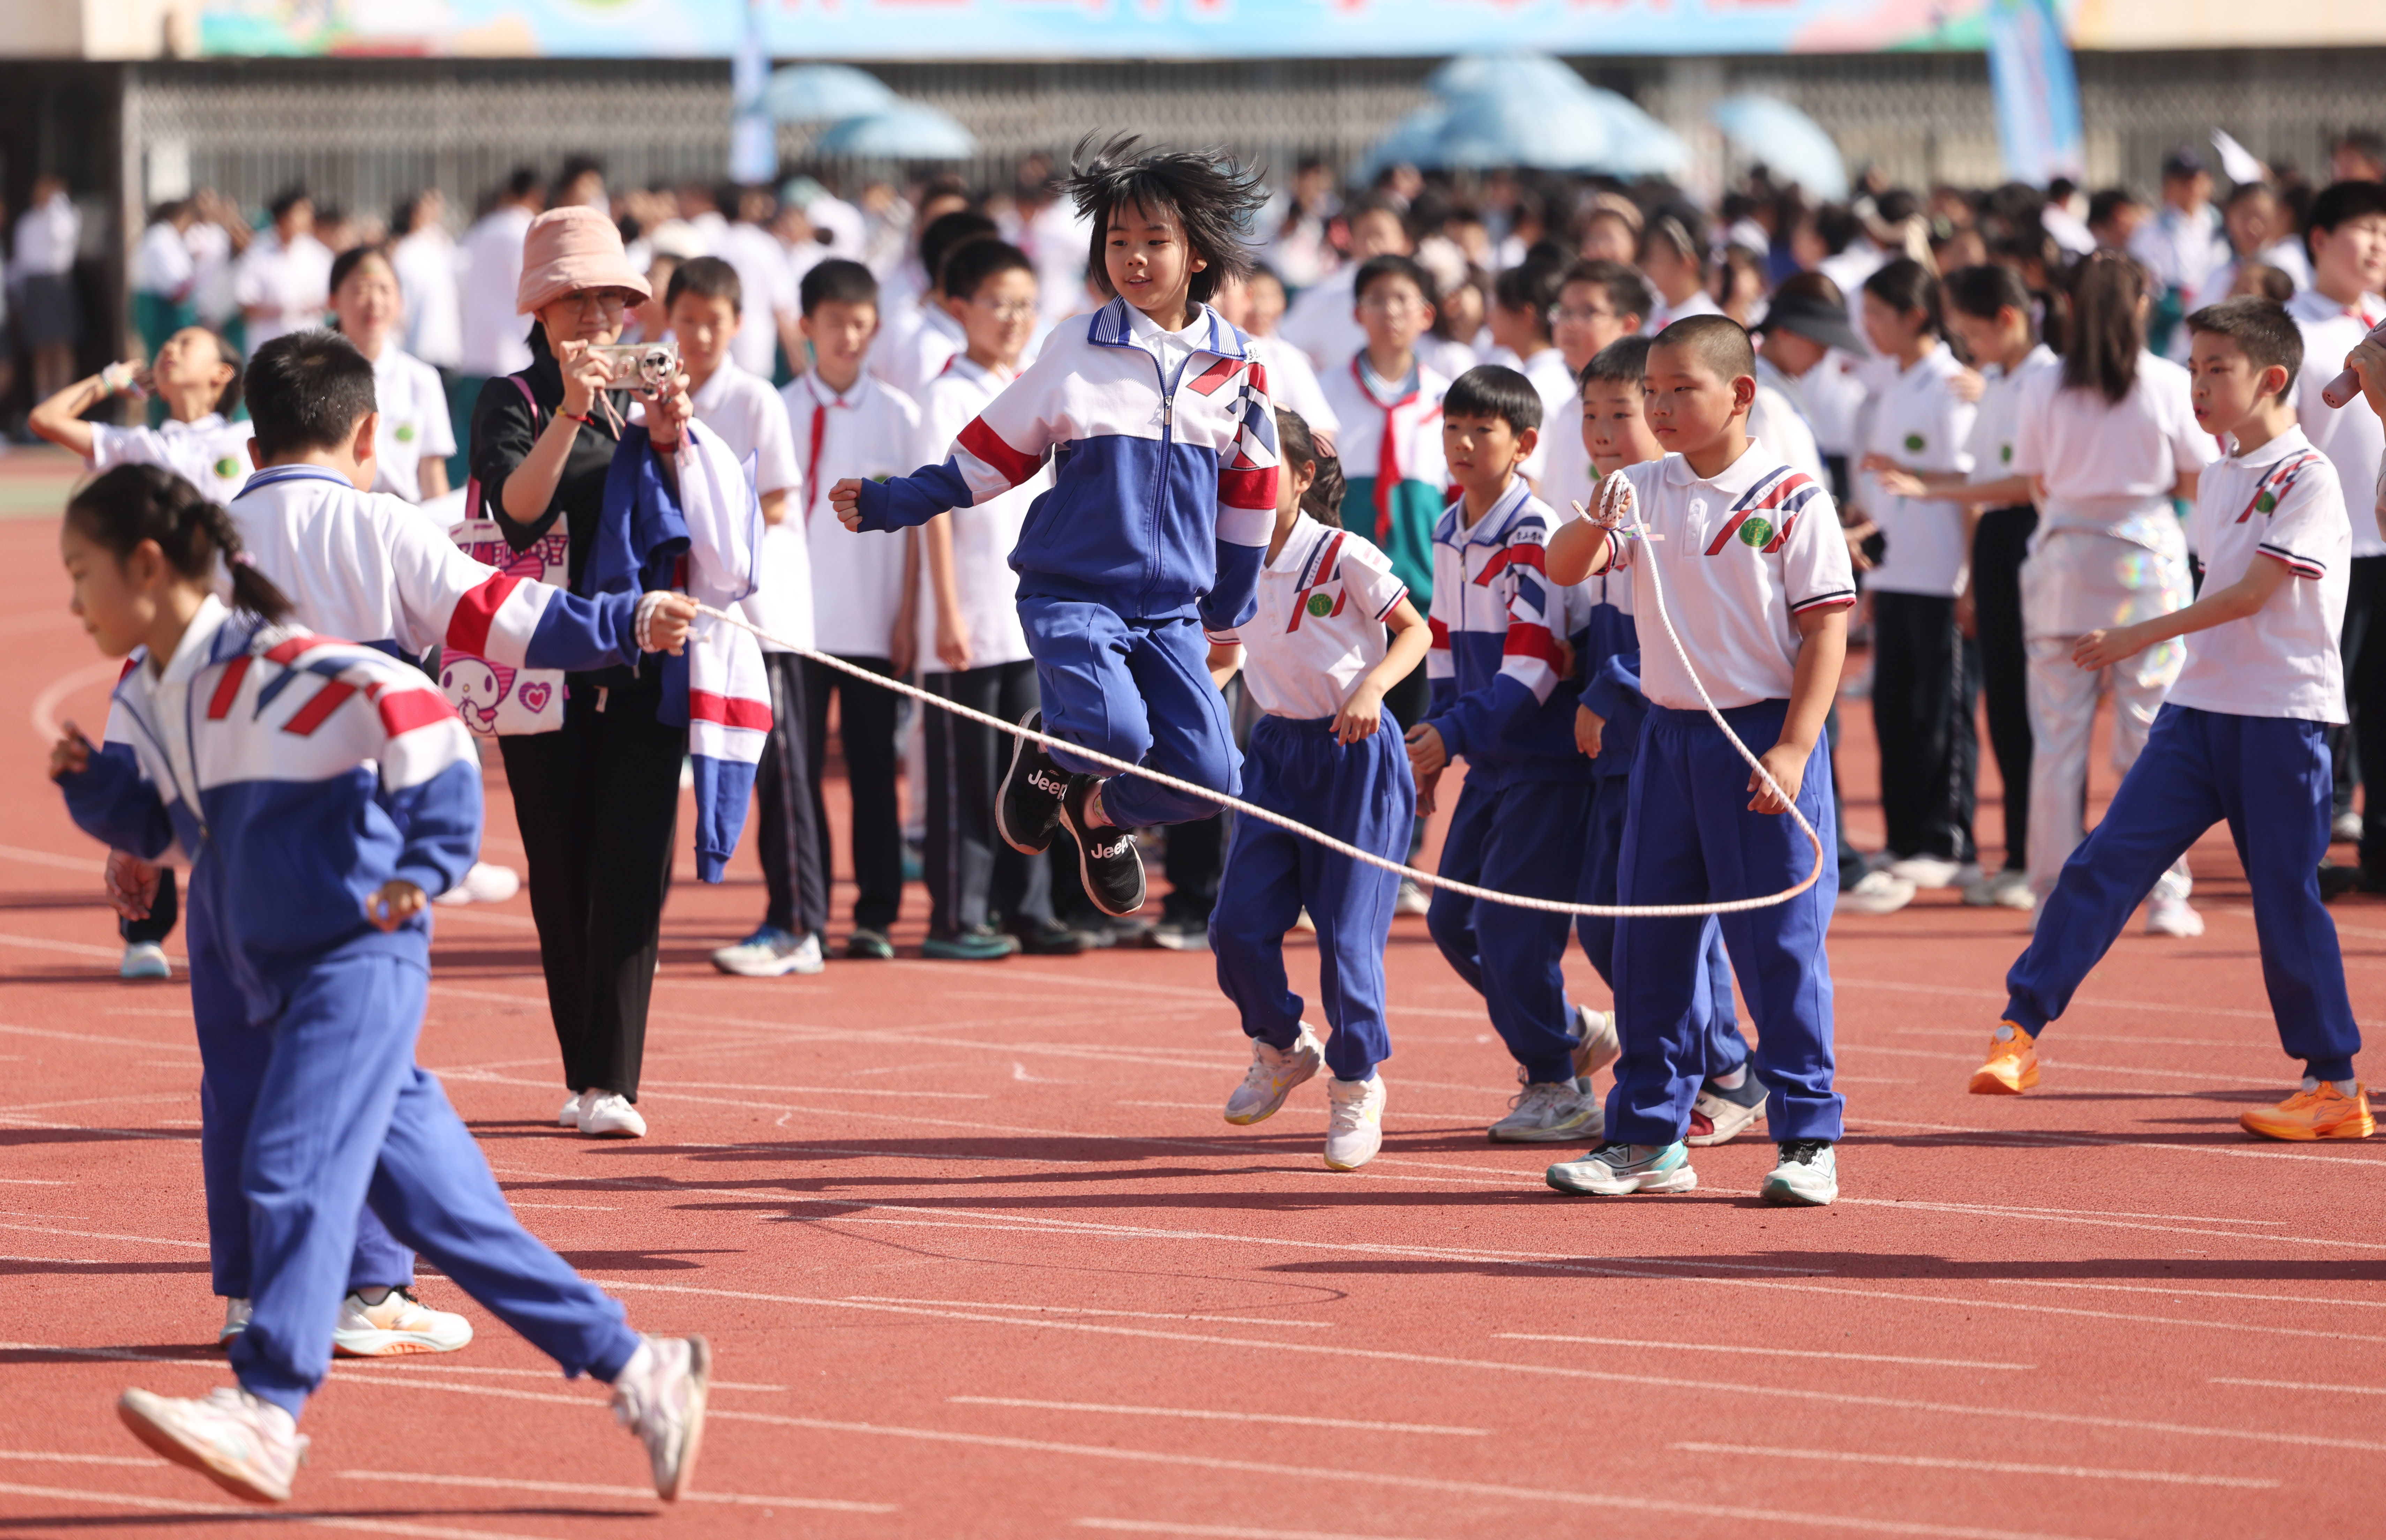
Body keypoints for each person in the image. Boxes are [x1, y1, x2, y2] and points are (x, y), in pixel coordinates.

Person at [48, 467, 709, 1507]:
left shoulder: (276, 664)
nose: (74, 601)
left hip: (354, 964)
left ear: (146, 565)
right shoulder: (156, 689)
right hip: (275, 979)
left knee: (291, 1161)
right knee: (454, 1219)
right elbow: (169, 826)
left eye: (83, 573)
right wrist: (96, 792)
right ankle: (641, 1363)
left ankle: (269, 1407)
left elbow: (425, 717)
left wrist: (431, 856)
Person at [832, 136, 1279, 919]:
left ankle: (1098, 813)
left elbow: (1252, 498)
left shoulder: (1239, 366)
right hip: (1073, 592)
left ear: (1199, 254)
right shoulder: (1077, 344)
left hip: (1172, 611)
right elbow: (995, 450)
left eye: (1155, 242)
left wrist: (1227, 614)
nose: (1133, 258)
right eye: (1118, 241)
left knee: (1214, 778)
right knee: (1116, 734)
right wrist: (896, 501)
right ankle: (1054, 747)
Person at [1974, 299, 2368, 1140]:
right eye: (2192, 369)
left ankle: (2334, 1082)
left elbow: (2252, 595)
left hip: (2281, 717)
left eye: (2217, 369)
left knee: (2286, 899)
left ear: (2272, 378)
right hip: (2198, 711)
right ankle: (2019, 1029)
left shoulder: (2308, 477)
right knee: (2105, 860)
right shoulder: (2220, 474)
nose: (2198, 386)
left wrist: (2136, 634)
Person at [1542, 315, 1855, 1207]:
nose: (1661, 407)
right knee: (1651, 946)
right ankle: (1648, 1137)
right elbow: (1566, 567)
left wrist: (1794, 745)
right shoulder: (1641, 486)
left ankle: (1809, 1138)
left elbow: (1827, 629)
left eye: (1682, 389)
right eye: (1653, 391)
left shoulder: (1792, 496)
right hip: (1666, 739)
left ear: (1740, 394)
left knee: (1778, 948)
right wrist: (1598, 510)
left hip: (1759, 740)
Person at [469, 206, 705, 1140]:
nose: (598, 318)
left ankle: (616, 1079)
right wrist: (571, 408)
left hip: (647, 655)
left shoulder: (643, 397)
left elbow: (699, 524)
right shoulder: (512, 400)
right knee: (563, 871)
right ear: (540, 309)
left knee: (636, 865)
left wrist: (675, 438)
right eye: (576, 300)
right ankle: (583, 1069)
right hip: (547, 665)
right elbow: (519, 511)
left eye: (612, 300)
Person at [1207, 410, 1428, 1169]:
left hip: (1355, 754)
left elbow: (1416, 631)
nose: (1246, 486)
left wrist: (1373, 688)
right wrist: (1178, 718)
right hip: (1276, 754)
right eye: (1235, 473)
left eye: (1265, 472)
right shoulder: (1227, 562)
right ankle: (1281, 1044)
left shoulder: (1343, 553)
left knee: (1346, 937)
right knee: (1236, 926)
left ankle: (1358, 1079)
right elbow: (1224, 657)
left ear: (1303, 477)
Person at [1568, 336, 1765, 1147]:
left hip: (1675, 732)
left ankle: (1727, 1068)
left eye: (1626, 411)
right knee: (1607, 922)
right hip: (1623, 753)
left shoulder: (1683, 504)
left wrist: (1605, 689)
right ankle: (1694, 1066)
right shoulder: (1612, 505)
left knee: (1687, 921)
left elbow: (1683, 635)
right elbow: (1573, 588)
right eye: (1593, 414)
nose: (1610, 429)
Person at [1406, 366, 1604, 1143]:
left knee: (1512, 929)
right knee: (1453, 920)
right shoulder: (1449, 527)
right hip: (1492, 759)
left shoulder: (1534, 532)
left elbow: (1536, 663)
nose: (1461, 443)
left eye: (1480, 430)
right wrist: (1437, 739)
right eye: (1452, 427)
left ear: (1523, 444)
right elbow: (1443, 642)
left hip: (1546, 763)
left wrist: (1453, 733)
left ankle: (1558, 1083)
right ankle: (1568, 1031)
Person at [30, 329, 248, 980]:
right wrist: (109, 382)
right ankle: (143, 930)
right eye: (167, 344)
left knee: (236, 771)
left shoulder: (248, 438)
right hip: (163, 640)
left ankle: (252, 921)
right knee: (140, 767)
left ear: (224, 374)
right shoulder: (143, 447)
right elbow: (47, 420)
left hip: (236, 635)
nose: (171, 349)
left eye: (189, 342)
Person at [2011, 252, 2214, 929]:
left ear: (2070, 305)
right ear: (2140, 305)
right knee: (2152, 735)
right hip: (2146, 566)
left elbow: (2037, 478)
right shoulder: (2167, 381)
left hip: (2064, 566)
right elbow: (2198, 475)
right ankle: (2163, 893)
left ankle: (2050, 891)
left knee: (2057, 741)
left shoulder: (2042, 384)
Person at [910, 239, 1089, 960]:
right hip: (971, 616)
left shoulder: (1035, 388)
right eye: (999, 303)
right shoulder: (945, 394)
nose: (1014, 318)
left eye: (1026, 305)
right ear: (961, 309)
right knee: (966, 773)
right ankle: (958, 914)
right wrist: (946, 612)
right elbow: (933, 508)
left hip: (1033, 615)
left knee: (1036, 770)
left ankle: (1029, 907)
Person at [653, 257, 821, 982]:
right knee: (660, 770)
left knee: (779, 774)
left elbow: (777, 501)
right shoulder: (654, 395)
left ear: (738, 325)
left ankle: (798, 924)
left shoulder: (756, 399)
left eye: (712, 322)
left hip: (758, 619)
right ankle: (640, 924)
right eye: (686, 320)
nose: (698, 335)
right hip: (682, 617)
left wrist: (705, 528)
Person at [1872, 265, 2060, 911]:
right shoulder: (2000, 381)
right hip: (1995, 538)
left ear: (2008, 319)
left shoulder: (2044, 380)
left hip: (2032, 535)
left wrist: (1929, 489)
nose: (1967, 347)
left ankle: (2037, 856)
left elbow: (2026, 481)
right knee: (2004, 706)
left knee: (2034, 708)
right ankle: (2020, 856)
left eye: (1973, 334)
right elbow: (1979, 476)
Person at [1750, 277, 1915, 920]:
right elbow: (1764, 505)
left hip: (1801, 572)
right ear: (1786, 333)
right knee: (1813, 722)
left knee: (1816, 722)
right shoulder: (1764, 401)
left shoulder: (1780, 392)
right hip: (1786, 589)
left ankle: (1831, 858)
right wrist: (1823, 538)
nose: (1825, 355)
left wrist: (1833, 529)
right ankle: (1833, 861)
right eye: (1817, 341)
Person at [784, 259, 921, 960]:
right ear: (806, 326)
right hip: (794, 626)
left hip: (873, 623)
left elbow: (922, 528)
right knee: (796, 776)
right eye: (835, 322)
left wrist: (908, 617)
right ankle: (803, 911)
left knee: (873, 775)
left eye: (862, 324)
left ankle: (876, 914)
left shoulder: (900, 415)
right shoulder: (779, 408)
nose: (849, 337)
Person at [1851, 259, 1982, 888]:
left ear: (1916, 316)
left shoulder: (1951, 386)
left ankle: (1947, 840)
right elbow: (1886, 490)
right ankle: (1904, 837)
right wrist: (1875, 578)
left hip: (1941, 573)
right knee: (1894, 713)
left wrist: (1971, 580)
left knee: (1941, 714)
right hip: (1897, 570)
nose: (1869, 328)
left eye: (1879, 315)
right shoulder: (1896, 382)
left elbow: (1973, 486)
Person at [2284, 181, 2386, 885]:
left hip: (2384, 545)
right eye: (2364, 229)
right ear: (2320, 239)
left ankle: (2381, 843)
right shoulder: (2289, 328)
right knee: (2316, 705)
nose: (2378, 244)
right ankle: (2302, 848)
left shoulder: (2381, 318)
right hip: (2320, 550)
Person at [328, 244, 455, 506]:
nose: (375, 302)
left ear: (399, 303)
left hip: (404, 515)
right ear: (333, 301)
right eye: (361, 290)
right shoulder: (314, 378)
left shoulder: (422, 379)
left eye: (385, 290)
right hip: (338, 514)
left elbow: (432, 474)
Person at [1543, 260, 1654, 528]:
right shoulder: (1568, 408)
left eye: (1588, 312)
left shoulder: (1652, 399)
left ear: (1628, 325)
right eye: (1564, 312)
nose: (1569, 324)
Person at [1279, 196, 1412, 371]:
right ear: (1352, 243)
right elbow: (1284, 345)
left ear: (1405, 242)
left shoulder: (1423, 301)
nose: (1372, 246)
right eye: (1364, 236)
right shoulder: (1323, 299)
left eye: (1380, 235)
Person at [2128, 149, 2227, 358]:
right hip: (2169, 322)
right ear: (2167, 186)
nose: (2191, 187)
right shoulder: (2150, 230)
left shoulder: (2223, 226)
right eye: (2182, 181)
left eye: (2196, 180)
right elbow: (2140, 276)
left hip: (2217, 314)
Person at [1485, 260, 1574, 487]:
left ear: (1526, 315)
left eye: (1497, 305)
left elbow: (1528, 479)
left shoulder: (1534, 385)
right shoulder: (1560, 374)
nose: (1489, 316)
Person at [234, 188, 332, 353]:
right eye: (301, 212)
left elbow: (331, 300)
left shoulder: (320, 255)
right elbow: (247, 307)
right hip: (268, 348)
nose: (307, 218)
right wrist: (290, 308)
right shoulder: (257, 252)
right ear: (283, 216)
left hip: (308, 349)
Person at [13, 174, 83, 402]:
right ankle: (43, 399)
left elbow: (61, 235)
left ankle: (64, 399)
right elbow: (21, 261)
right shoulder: (26, 221)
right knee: (40, 347)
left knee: (62, 345)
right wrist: (18, 294)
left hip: (58, 283)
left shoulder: (67, 215)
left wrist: (57, 203)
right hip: (35, 286)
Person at [1638, 208, 1724, 334]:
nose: (1648, 267)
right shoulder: (1650, 310)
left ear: (1689, 263)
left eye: (1657, 257)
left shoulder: (1711, 324)